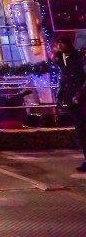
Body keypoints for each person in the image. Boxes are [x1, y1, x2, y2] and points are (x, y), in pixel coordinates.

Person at [54, 35, 86, 171]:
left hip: (82, 99)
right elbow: (63, 79)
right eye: (58, 43)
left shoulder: (79, 57)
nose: (60, 45)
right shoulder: (62, 60)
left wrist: (79, 95)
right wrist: (59, 97)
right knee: (80, 131)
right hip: (71, 100)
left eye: (62, 42)